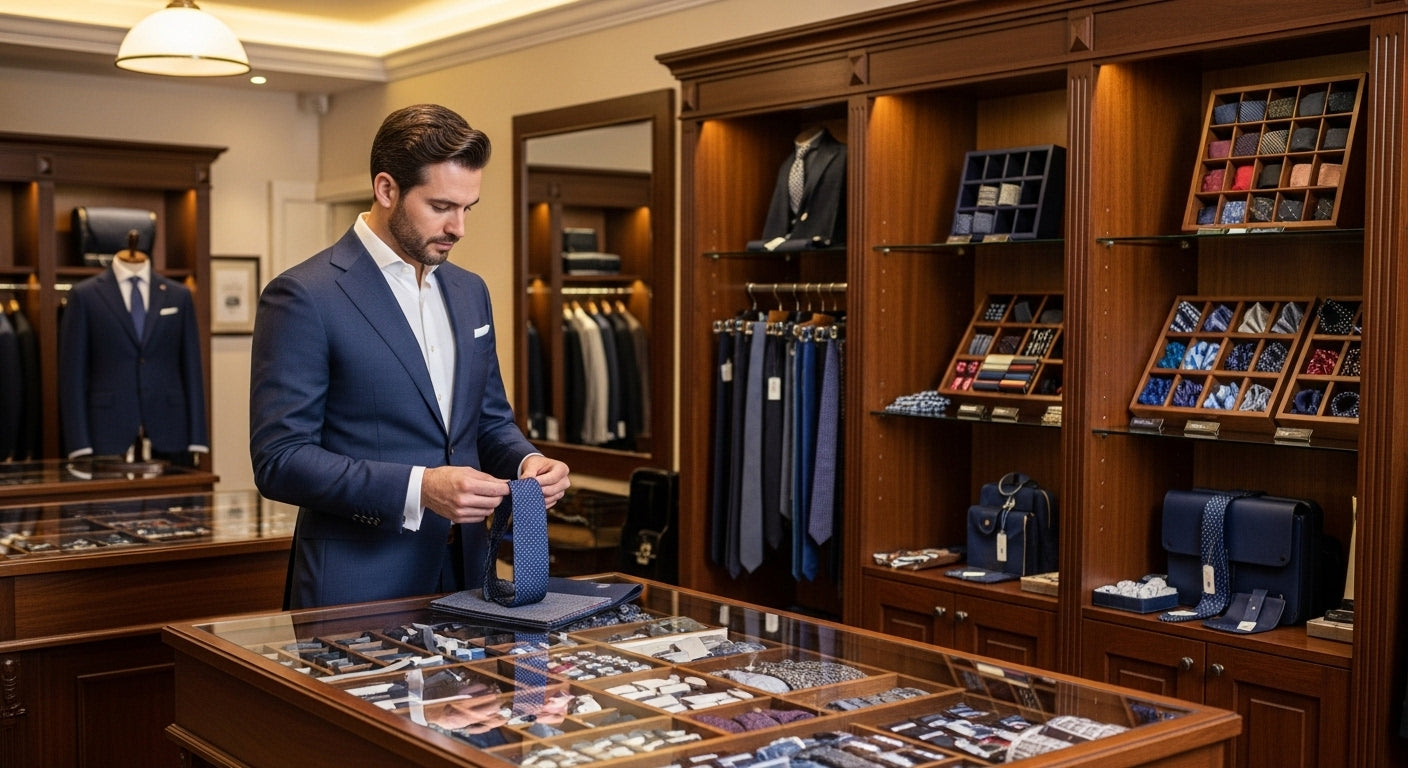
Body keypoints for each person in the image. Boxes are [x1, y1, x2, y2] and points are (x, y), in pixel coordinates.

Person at [250, 103, 570, 609]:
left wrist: (529, 460)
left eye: (468, 208)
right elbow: (281, 460)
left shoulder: (470, 291)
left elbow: (488, 422)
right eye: (441, 206)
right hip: (357, 583)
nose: (458, 227)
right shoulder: (304, 295)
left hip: (469, 574)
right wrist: (420, 488)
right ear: (386, 189)